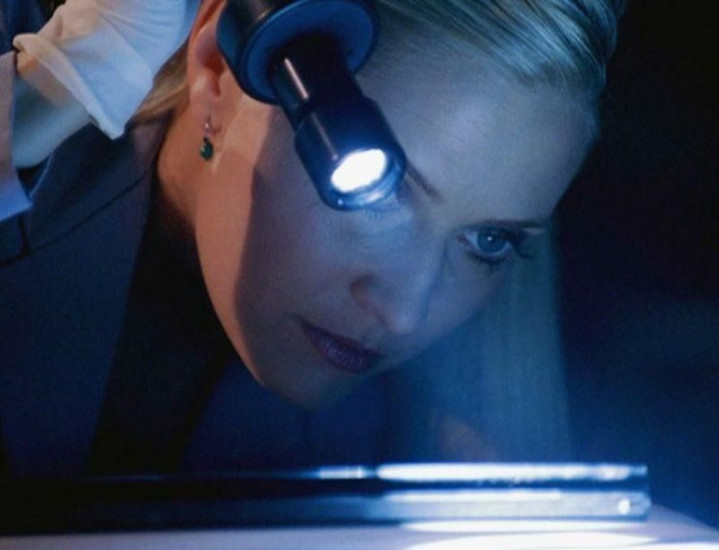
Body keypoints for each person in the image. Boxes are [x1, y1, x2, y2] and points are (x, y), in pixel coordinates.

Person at [0, 0, 624, 476]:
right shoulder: (26, 78)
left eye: (488, 241)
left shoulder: (413, 455)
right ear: (218, 68)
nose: (404, 313)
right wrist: (53, 89)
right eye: (380, 189)